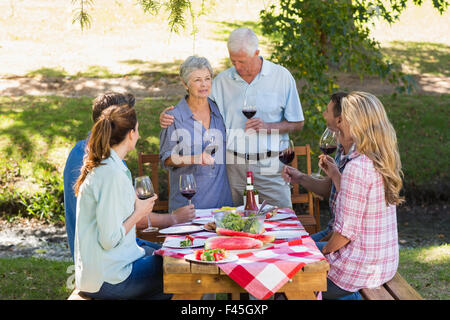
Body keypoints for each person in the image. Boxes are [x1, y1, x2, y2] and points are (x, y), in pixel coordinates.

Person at [160, 28, 304, 208]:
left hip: (271, 165)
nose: (237, 67)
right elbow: (196, 101)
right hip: (233, 168)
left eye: (242, 61)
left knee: (281, 220)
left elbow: (297, 123)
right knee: (236, 223)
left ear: (257, 53)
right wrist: (168, 116)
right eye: (233, 61)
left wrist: (269, 126)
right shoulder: (222, 81)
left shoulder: (281, 77)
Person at [294, 91, 403, 300]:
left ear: (353, 122)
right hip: (383, 262)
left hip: (356, 270)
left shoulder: (357, 167)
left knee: (286, 276)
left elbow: (344, 235)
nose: (340, 122)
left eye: (345, 118)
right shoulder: (380, 158)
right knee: (296, 251)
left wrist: (323, 252)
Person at [64, 92, 195, 261]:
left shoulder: (85, 151)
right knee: (176, 263)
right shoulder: (104, 164)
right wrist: (173, 218)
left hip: (105, 250)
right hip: (106, 258)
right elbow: (128, 218)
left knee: (174, 253)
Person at [74, 103, 172, 299]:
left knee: (168, 254)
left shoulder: (109, 166)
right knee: (179, 270)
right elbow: (109, 240)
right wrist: (139, 213)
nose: (139, 135)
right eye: (137, 130)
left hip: (100, 274)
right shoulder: (111, 174)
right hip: (109, 280)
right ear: (130, 134)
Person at [159, 56, 233, 211]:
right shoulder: (174, 117)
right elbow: (166, 159)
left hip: (223, 205)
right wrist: (196, 158)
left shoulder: (220, 110)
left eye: (207, 78)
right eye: (197, 80)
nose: (204, 84)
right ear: (185, 84)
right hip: (189, 206)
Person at [282, 92, 350, 251]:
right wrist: (299, 177)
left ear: (339, 119)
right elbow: (329, 189)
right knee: (288, 246)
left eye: (327, 110)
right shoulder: (341, 150)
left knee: (291, 251)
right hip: (332, 229)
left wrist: (321, 253)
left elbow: (349, 228)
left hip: (343, 239)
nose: (323, 114)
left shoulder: (358, 160)